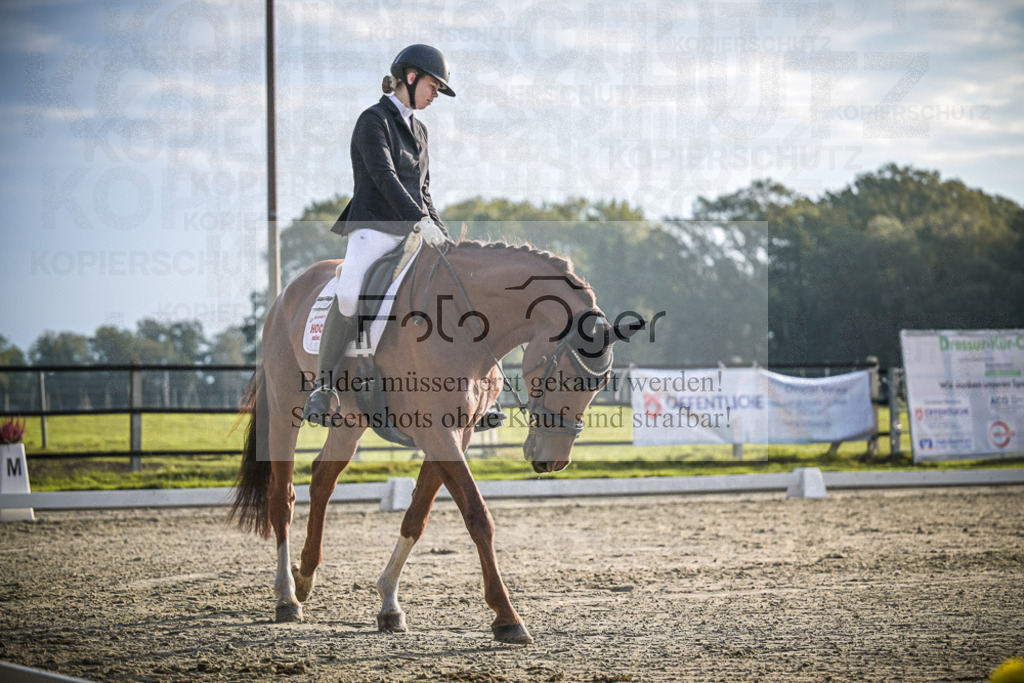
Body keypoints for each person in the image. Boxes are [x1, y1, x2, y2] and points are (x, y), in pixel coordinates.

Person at [301, 45, 455, 423]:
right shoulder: (373, 120)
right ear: (410, 77)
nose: (435, 95)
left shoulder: (420, 130)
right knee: (351, 288)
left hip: (413, 231)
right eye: (433, 86)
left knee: (451, 286)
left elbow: (424, 190)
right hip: (372, 227)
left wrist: (440, 231)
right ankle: (324, 386)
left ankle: (472, 390)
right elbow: (382, 176)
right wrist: (417, 220)